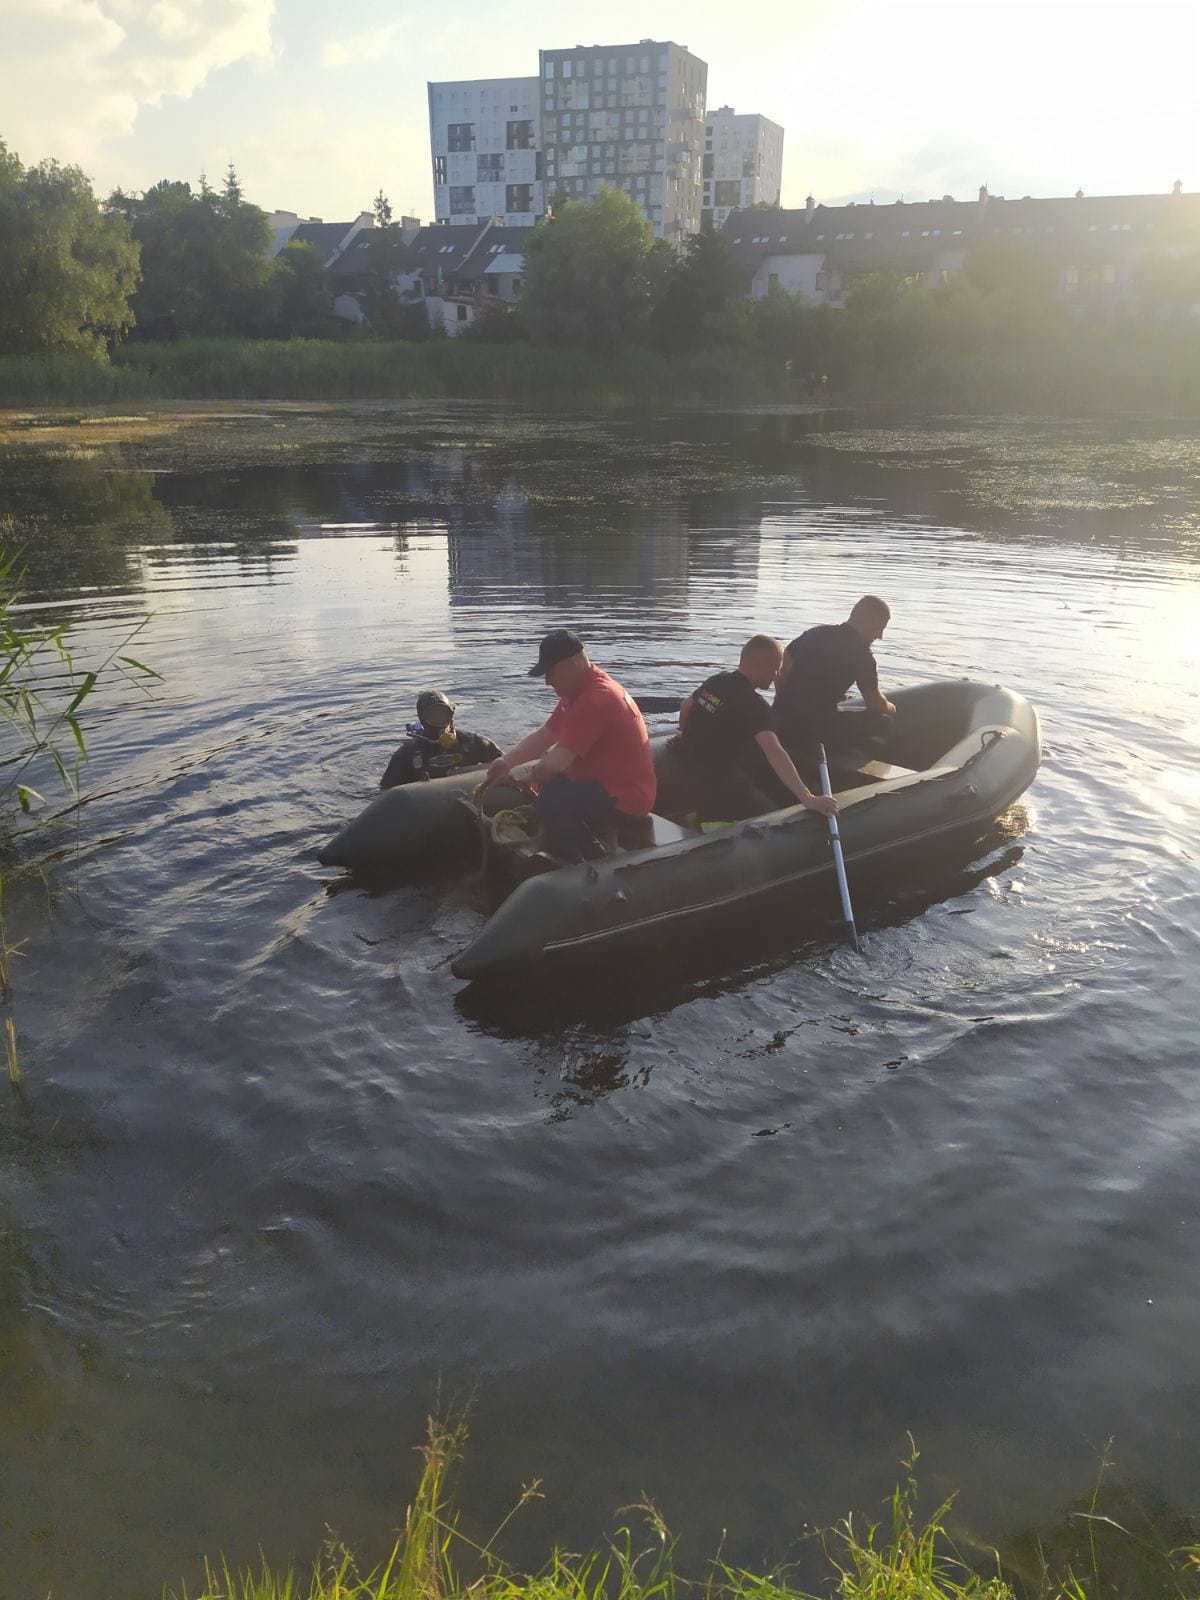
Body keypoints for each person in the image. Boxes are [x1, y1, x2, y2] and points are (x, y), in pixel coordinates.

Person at [485, 629, 656, 862]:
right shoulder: (577, 692)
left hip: (626, 798)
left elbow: (554, 765)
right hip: (604, 787)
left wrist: (523, 774)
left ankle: (588, 861)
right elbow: (547, 733)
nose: (547, 682)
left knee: (552, 798)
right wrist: (507, 762)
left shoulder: (596, 699)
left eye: (550, 673)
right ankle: (574, 842)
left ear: (573, 664)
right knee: (553, 787)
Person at [675, 635, 839, 826]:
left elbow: (686, 706)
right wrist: (808, 798)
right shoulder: (754, 705)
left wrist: (686, 734)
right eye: (776, 668)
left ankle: (696, 816)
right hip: (720, 785)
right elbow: (775, 752)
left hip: (688, 771)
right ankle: (703, 823)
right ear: (763, 666)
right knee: (774, 818)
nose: (777, 674)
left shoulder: (716, 681)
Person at [773, 595, 896, 767]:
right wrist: (892, 707)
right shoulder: (863, 656)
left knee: (834, 708)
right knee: (883, 723)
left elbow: (783, 666)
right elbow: (875, 704)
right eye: (878, 629)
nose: (880, 636)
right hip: (813, 731)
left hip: (779, 722)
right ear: (865, 622)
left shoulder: (816, 633)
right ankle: (853, 764)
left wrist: (784, 699)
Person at [379, 689, 501, 789]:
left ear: (452, 714)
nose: (440, 722)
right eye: (434, 716)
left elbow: (505, 764)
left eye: (443, 714)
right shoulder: (407, 754)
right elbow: (385, 793)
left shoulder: (472, 743)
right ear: (422, 719)